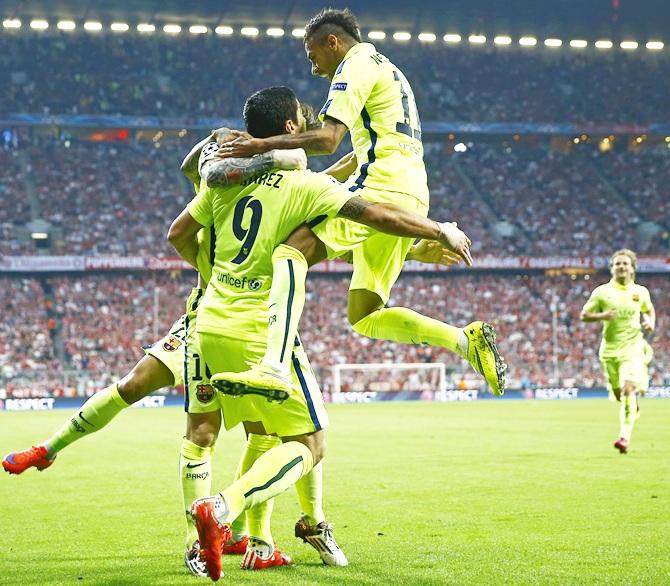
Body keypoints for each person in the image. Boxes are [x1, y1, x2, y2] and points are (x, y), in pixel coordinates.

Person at [169, 84, 473, 581]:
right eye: (303, 119)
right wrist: (436, 230)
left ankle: (258, 540)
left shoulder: (222, 183)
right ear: (292, 129)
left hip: (208, 327)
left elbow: (178, 234)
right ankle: (221, 509)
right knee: (311, 445)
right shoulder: (304, 186)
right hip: (259, 330)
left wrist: (209, 270)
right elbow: (376, 215)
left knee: (252, 433)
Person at [215, 8, 506, 398]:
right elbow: (355, 154)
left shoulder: (354, 66)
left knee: (290, 251)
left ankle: (274, 366)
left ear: (332, 42)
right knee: (365, 315)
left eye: (313, 54)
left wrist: (260, 145)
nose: (313, 66)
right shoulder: (389, 70)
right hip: (411, 188)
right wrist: (319, 183)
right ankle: (464, 341)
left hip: (382, 186)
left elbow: (328, 139)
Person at [580, 249, 656, 454]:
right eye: (617, 264)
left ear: (632, 269)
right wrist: (603, 315)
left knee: (627, 389)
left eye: (625, 264)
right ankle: (632, 406)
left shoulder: (640, 292)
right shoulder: (602, 292)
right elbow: (584, 315)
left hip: (633, 348)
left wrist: (650, 322)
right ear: (612, 268)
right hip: (609, 350)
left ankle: (624, 438)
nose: (621, 267)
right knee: (618, 394)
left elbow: (649, 310)